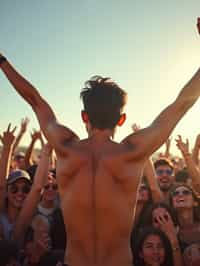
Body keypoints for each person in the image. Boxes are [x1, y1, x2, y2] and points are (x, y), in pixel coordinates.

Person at [0, 20, 200, 266]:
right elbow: (182, 104)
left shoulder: (65, 147)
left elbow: (35, 100)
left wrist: (2, 61)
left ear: (85, 116)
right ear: (122, 118)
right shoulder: (132, 152)